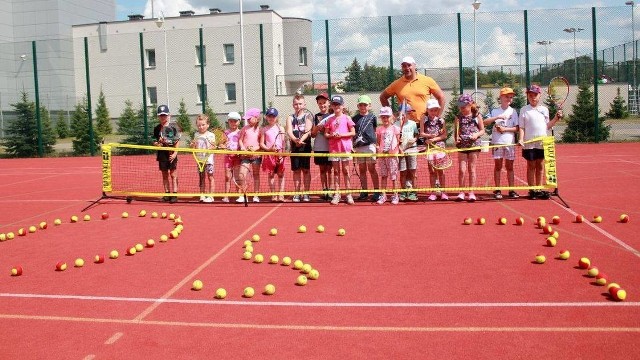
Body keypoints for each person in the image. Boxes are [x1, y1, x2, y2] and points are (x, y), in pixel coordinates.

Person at [518, 85, 562, 200]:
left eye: (535, 95)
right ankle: (532, 190)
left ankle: (539, 188)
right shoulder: (524, 110)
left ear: (539, 95)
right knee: (531, 165)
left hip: (542, 143)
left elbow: (547, 126)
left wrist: (556, 118)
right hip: (529, 142)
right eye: (530, 95)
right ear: (527, 96)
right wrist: (521, 139)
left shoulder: (544, 110)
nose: (533, 97)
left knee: (540, 165)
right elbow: (522, 127)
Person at [379, 56, 446, 121]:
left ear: (414, 66)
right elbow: (383, 97)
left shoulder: (427, 80)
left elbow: (441, 97)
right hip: (406, 125)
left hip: (425, 124)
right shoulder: (397, 83)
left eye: (409, 65)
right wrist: (391, 115)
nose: (407, 68)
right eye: (404, 66)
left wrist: (436, 117)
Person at [483, 87, 520, 199]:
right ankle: (498, 189)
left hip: (510, 143)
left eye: (511, 97)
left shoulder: (513, 111)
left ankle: (511, 190)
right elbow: (485, 122)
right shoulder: (494, 111)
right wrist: (497, 118)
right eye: (506, 96)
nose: (509, 99)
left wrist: (505, 130)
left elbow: (517, 128)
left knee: (510, 167)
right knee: (498, 166)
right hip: (497, 143)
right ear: (501, 97)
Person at [325, 95, 356, 205]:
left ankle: (348, 194)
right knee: (336, 171)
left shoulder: (347, 118)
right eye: (334, 104)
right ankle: (337, 194)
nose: (336, 106)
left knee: (346, 171)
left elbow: (353, 132)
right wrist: (332, 134)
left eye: (338, 104)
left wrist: (341, 135)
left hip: (345, 148)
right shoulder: (329, 119)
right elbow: (326, 134)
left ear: (343, 106)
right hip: (334, 149)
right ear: (332, 106)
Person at [454, 94, 485, 202]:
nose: (461, 108)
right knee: (462, 170)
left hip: (474, 145)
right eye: (460, 106)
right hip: (462, 145)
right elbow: (456, 133)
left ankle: (471, 192)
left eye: (464, 106)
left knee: (472, 169)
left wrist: (476, 135)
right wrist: (456, 138)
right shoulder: (458, 117)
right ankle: (461, 192)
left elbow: (482, 130)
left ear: (470, 104)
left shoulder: (477, 116)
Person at [352, 94, 381, 201]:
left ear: (369, 106)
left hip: (370, 147)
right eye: (361, 105)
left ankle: (377, 191)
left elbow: (374, 131)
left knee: (372, 169)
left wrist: (376, 145)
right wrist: (352, 146)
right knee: (362, 169)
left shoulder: (373, 117)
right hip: (359, 147)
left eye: (365, 105)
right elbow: (353, 133)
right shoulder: (354, 118)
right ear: (358, 106)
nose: (363, 107)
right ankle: (364, 191)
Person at [286, 94, 313, 202]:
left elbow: (308, 130)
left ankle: (306, 193)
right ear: (293, 105)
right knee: (296, 171)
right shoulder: (290, 117)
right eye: (296, 104)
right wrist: (295, 140)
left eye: (300, 104)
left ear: (304, 104)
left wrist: (301, 140)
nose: (298, 106)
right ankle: (297, 193)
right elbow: (289, 131)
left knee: (306, 170)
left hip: (305, 146)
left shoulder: (308, 116)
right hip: (295, 147)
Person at [420, 99, 449, 201]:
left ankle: (443, 192)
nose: (433, 112)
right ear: (427, 110)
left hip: (439, 147)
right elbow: (422, 133)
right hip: (430, 148)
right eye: (431, 110)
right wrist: (428, 137)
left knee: (441, 171)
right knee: (432, 171)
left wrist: (434, 139)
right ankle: (433, 192)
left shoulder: (441, 121)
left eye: (435, 110)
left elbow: (444, 135)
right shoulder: (424, 119)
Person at [152, 104, 179, 203]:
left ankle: (175, 194)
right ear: (158, 116)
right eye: (161, 115)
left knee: (173, 174)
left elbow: (177, 142)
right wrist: (157, 143)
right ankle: (167, 194)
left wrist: (175, 153)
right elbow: (154, 142)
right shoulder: (156, 128)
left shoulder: (173, 127)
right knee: (164, 174)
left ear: (168, 115)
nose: (163, 117)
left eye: (164, 115)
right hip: (162, 155)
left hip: (172, 154)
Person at [375, 106, 401, 205]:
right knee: (384, 176)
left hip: (392, 156)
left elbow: (398, 142)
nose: (385, 119)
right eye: (383, 117)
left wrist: (393, 151)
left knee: (393, 176)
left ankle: (395, 194)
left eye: (387, 116)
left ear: (391, 117)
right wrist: (379, 151)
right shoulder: (379, 129)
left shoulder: (396, 129)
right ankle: (383, 195)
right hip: (382, 157)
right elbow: (378, 142)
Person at [260, 107, 286, 202]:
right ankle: (273, 194)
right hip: (269, 154)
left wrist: (282, 155)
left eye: (273, 116)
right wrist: (268, 149)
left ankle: (281, 194)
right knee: (271, 175)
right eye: (269, 116)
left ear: (276, 117)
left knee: (281, 174)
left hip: (279, 154)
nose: (271, 118)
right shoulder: (264, 129)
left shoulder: (281, 128)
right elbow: (262, 143)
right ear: (266, 117)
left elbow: (283, 143)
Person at [310, 92, 333, 201]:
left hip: (330, 147)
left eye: (324, 102)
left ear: (329, 103)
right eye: (320, 103)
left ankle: (331, 190)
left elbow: (331, 133)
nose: (322, 105)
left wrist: (324, 129)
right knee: (322, 170)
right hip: (319, 148)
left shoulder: (333, 116)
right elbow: (313, 135)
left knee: (330, 170)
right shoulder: (316, 116)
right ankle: (324, 189)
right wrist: (316, 128)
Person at [395, 103, 419, 201]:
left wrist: (414, 139)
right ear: (400, 114)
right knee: (403, 172)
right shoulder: (396, 125)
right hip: (401, 151)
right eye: (405, 113)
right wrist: (399, 147)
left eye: (409, 113)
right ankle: (403, 191)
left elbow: (417, 135)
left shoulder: (413, 124)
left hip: (412, 149)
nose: (407, 115)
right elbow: (394, 139)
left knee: (413, 171)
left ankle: (413, 192)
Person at [238, 108, 262, 203]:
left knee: (256, 175)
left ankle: (256, 195)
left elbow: (261, 143)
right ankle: (244, 195)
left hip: (256, 156)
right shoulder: (244, 128)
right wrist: (243, 148)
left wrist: (254, 149)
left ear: (256, 118)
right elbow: (240, 140)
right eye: (246, 118)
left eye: (249, 118)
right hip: (245, 156)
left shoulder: (260, 130)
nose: (247, 120)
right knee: (241, 174)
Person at [190, 114, 216, 203]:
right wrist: (193, 145)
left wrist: (210, 148)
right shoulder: (196, 134)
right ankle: (202, 194)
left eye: (203, 125)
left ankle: (211, 195)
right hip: (199, 160)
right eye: (199, 125)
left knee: (210, 177)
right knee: (201, 178)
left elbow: (213, 146)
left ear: (208, 125)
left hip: (208, 160)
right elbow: (195, 146)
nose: (201, 127)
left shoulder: (211, 135)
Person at [222, 111, 242, 203]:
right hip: (228, 158)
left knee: (237, 177)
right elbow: (222, 144)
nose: (233, 123)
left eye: (235, 121)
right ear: (228, 122)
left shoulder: (241, 132)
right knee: (227, 176)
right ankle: (226, 196)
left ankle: (239, 194)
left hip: (237, 157)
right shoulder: (225, 132)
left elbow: (242, 144)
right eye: (231, 121)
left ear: (239, 122)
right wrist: (223, 146)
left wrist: (238, 152)